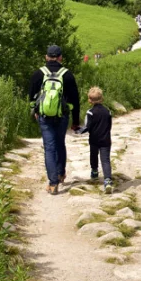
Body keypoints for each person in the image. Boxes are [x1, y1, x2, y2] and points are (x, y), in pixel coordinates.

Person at [28, 45, 80, 195]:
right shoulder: (67, 75)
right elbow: (75, 100)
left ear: (46, 57)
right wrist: (75, 121)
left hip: (44, 116)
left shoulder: (38, 74)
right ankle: (60, 173)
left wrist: (35, 111)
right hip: (62, 115)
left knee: (49, 147)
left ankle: (52, 183)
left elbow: (31, 96)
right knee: (60, 143)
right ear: (60, 57)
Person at [78, 87, 113, 194]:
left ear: (89, 100)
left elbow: (87, 127)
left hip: (94, 139)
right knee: (105, 160)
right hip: (106, 140)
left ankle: (94, 171)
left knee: (93, 155)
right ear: (102, 98)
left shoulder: (90, 112)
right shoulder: (108, 111)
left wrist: (78, 131)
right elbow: (109, 125)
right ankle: (107, 180)